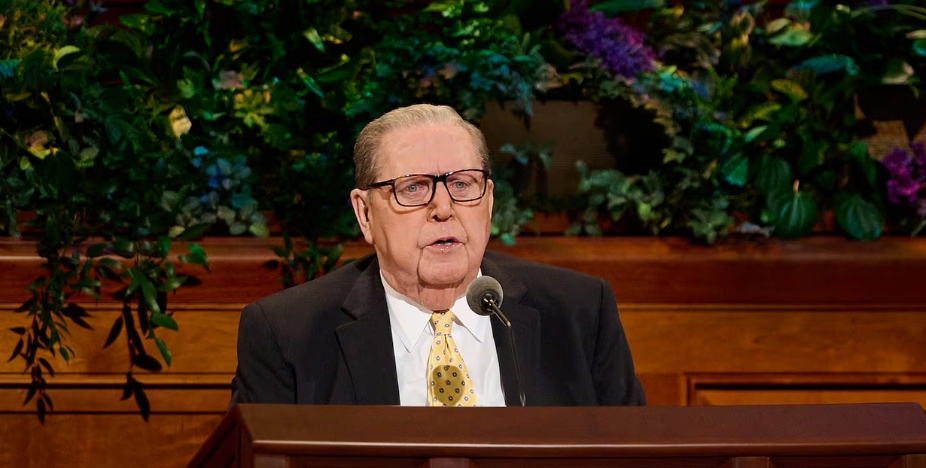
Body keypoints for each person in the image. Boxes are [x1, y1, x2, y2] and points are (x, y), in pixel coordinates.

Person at [233, 104, 645, 406]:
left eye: (463, 184)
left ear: (488, 201)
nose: (443, 208)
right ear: (365, 214)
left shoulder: (578, 313)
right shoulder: (288, 334)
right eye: (413, 188)